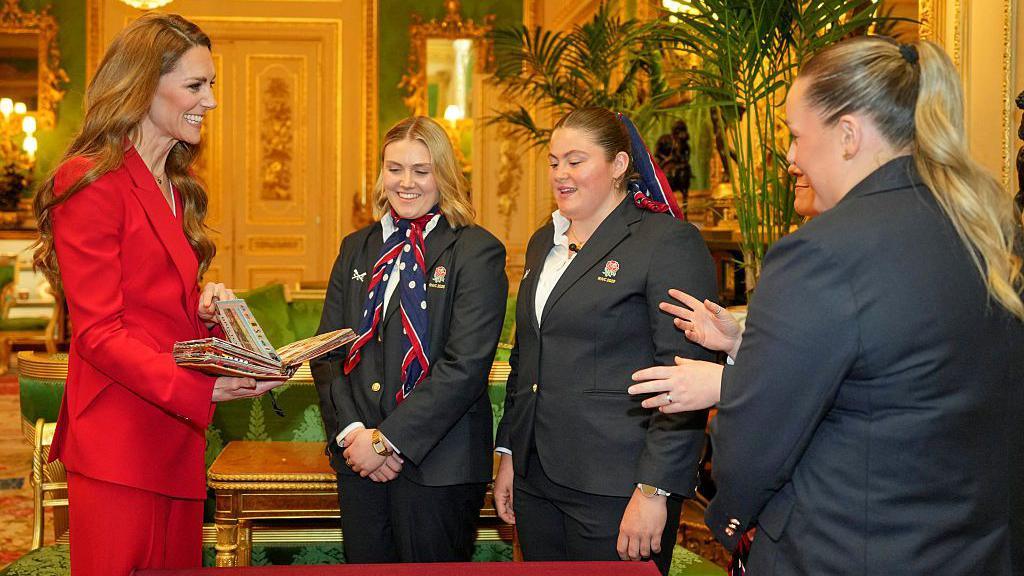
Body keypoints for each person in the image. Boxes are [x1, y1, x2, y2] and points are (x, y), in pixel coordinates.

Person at [632, 37, 1024, 574]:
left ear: (847, 135)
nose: (790, 156)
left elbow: (750, 447)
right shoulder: (992, 229)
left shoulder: (821, 252)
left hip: (845, 547)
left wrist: (734, 519)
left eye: (795, 136)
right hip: (972, 546)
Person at [31, 14, 282, 576]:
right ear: (144, 86)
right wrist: (204, 388)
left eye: (211, 85)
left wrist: (204, 311)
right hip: (119, 438)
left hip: (175, 435)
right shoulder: (90, 179)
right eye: (196, 86)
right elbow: (98, 334)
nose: (210, 101)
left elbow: (154, 308)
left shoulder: (175, 186)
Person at [492, 107, 717, 576]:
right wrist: (511, 453)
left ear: (618, 165)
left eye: (576, 161)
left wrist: (655, 489)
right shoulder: (542, 242)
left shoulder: (668, 242)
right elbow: (526, 358)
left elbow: (685, 379)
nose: (561, 174)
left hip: (619, 486)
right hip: (538, 479)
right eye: (554, 162)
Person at [311, 116, 508, 563]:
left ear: (445, 174)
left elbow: (465, 366)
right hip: (357, 459)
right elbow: (327, 352)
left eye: (421, 170)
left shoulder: (476, 251)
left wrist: (388, 441)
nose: (406, 182)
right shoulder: (355, 247)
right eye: (394, 168)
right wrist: (355, 435)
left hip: (440, 467)